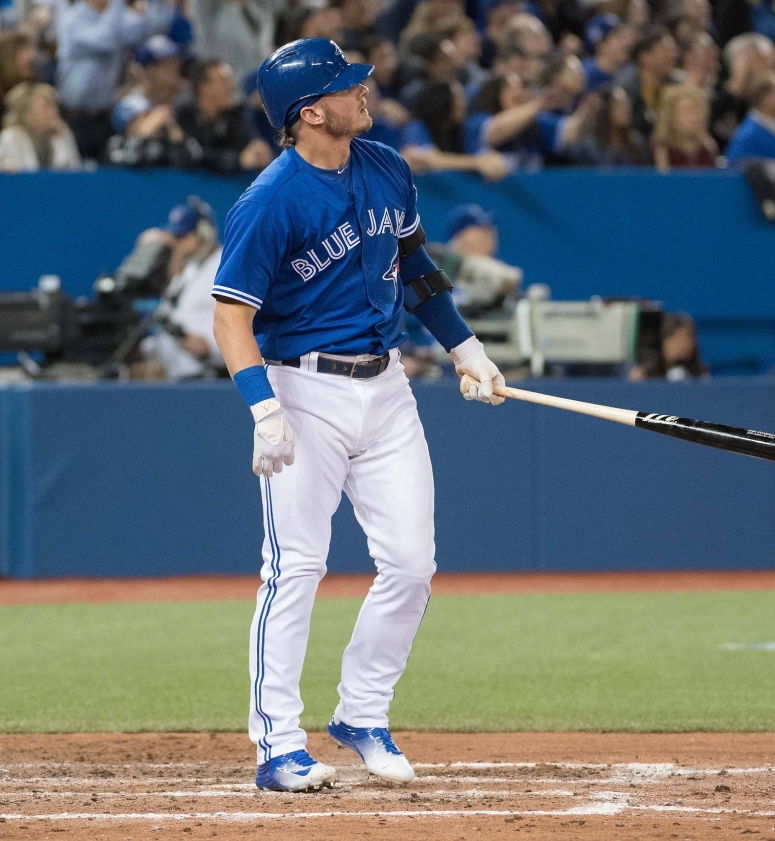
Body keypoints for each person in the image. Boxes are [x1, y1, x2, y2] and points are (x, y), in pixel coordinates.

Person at [211, 37, 505, 793]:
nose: (365, 93)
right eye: (348, 87)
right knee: (295, 568)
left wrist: (466, 347)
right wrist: (263, 409)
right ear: (311, 112)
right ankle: (278, 745)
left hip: (388, 387)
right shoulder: (270, 200)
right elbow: (230, 317)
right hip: (302, 391)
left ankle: (361, 713)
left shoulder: (388, 168)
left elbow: (417, 269)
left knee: (411, 564)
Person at [55, 0, 172, 161]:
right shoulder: (71, 19)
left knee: (107, 178)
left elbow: (155, 27)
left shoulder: (117, 18)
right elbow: (105, 39)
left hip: (103, 117)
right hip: (74, 118)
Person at [137, 198, 226, 379]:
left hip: (209, 374)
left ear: (204, 233)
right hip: (175, 371)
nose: (175, 243)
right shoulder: (188, 269)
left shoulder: (226, 266)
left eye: (182, 237)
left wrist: (208, 348)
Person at [175, 59, 273, 173]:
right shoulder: (184, 117)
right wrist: (238, 160)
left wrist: (258, 152)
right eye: (223, 81)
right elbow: (193, 155)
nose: (231, 86)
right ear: (204, 87)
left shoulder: (236, 115)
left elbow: (249, 147)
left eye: (230, 80)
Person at [400, 78, 509, 178]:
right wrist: (476, 163)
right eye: (458, 98)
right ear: (441, 101)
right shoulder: (417, 127)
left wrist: (493, 161)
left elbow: (483, 154)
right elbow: (429, 159)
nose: (464, 103)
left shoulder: (461, 131)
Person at [0, 81, 79, 170]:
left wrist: (65, 136)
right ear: (26, 112)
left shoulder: (62, 134)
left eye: (54, 105)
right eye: (45, 106)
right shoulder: (10, 138)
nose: (53, 112)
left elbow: (75, 173)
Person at [651, 82, 718, 169]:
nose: (694, 118)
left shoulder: (708, 147)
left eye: (698, 112)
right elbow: (664, 180)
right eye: (688, 112)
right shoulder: (662, 148)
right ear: (670, 116)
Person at [629, 312, 709, 380]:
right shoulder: (644, 375)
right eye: (677, 339)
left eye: (688, 338)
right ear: (664, 342)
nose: (683, 345)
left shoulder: (701, 376)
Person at [580, 13, 631, 91]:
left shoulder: (627, 74)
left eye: (624, 37)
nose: (625, 42)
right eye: (618, 36)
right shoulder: (584, 73)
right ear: (599, 44)